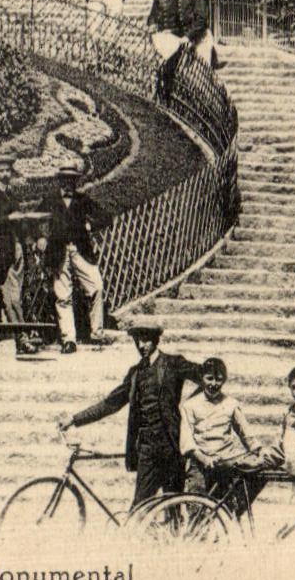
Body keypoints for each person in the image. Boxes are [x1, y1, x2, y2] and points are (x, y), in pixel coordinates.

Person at [60, 317, 202, 508]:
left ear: (156, 340)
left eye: (146, 340)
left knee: (173, 506)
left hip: (172, 446)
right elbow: (111, 403)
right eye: (138, 341)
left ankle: (176, 537)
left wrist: (189, 408)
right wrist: (74, 419)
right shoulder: (135, 373)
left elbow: (209, 375)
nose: (141, 345)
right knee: (140, 508)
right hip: (147, 449)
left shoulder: (173, 363)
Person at [179, 357, 265, 515]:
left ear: (224, 380)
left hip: (225, 463)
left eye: (219, 379)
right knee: (197, 510)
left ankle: (229, 521)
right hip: (200, 463)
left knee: (226, 509)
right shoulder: (190, 405)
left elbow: (246, 433)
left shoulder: (230, 403)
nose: (213, 384)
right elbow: (187, 441)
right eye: (209, 378)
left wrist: (257, 449)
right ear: (202, 378)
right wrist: (204, 459)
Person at [39, 168, 107, 354]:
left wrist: (90, 225)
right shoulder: (50, 200)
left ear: (76, 182)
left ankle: (97, 333)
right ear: (59, 181)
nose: (68, 184)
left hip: (81, 251)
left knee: (96, 286)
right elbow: (35, 221)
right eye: (65, 180)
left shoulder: (82, 199)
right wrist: (40, 237)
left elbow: (105, 216)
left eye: (72, 180)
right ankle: (69, 339)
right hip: (58, 252)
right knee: (63, 295)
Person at [0, 156, 38, 354]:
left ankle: (14, 337)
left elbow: (21, 226)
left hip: (17, 249)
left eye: (8, 170)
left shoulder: (12, 197)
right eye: (1, 171)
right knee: (10, 297)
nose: (5, 174)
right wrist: (8, 219)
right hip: (0, 254)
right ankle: (22, 337)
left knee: (16, 296)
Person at [147, 0, 184, 103]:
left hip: (175, 38)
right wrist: (152, 24)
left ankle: (167, 99)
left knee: (169, 71)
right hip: (161, 37)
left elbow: (185, 20)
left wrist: (174, 31)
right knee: (158, 70)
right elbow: (152, 15)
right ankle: (159, 97)